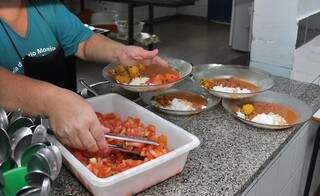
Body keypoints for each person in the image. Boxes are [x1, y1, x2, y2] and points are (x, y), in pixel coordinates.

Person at [0, 0, 168, 152]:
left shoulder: (47, 6)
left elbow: (84, 42)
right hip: (10, 144)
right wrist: (52, 100)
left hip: (65, 136)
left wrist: (120, 52)